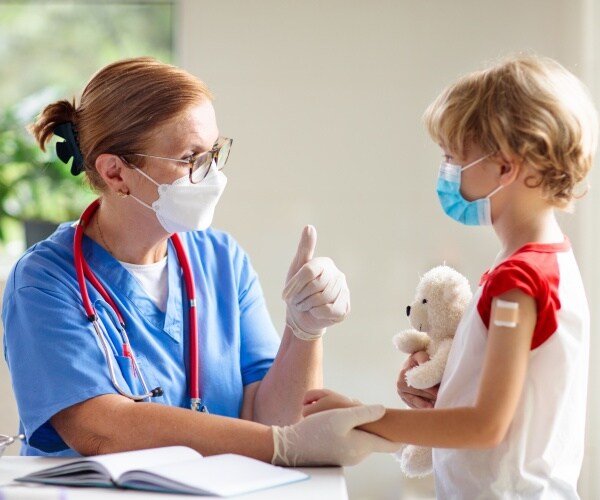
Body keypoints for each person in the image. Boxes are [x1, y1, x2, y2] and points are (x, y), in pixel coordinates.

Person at [1, 57, 399, 465]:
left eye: (213, 153)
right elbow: (99, 428)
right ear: (116, 172)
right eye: (191, 157)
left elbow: (273, 416)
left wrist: (305, 329)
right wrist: (280, 446)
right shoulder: (44, 281)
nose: (211, 174)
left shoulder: (222, 260)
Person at [303, 54, 598, 497]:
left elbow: (485, 426)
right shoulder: (540, 264)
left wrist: (361, 416)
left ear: (506, 165)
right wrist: (444, 391)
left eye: (453, 157)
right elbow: (508, 409)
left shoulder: (519, 281)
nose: (447, 173)